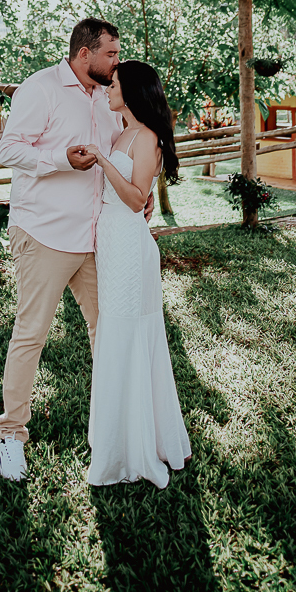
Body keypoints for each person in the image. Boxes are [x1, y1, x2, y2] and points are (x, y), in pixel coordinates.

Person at [0, 18, 126, 481]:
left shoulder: (111, 98)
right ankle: (12, 436)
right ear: (84, 54)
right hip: (43, 233)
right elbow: (8, 150)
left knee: (107, 334)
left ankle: (115, 430)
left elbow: (119, 154)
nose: (116, 62)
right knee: (31, 335)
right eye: (110, 53)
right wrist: (58, 159)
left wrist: (137, 192)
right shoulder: (41, 88)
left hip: (95, 239)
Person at [84, 60, 191, 489]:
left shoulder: (146, 137)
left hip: (130, 245)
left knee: (128, 334)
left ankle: (136, 447)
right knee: (115, 333)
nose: (109, 87)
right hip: (112, 243)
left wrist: (101, 163)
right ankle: (117, 437)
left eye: (114, 83)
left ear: (131, 90)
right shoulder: (123, 132)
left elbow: (135, 198)